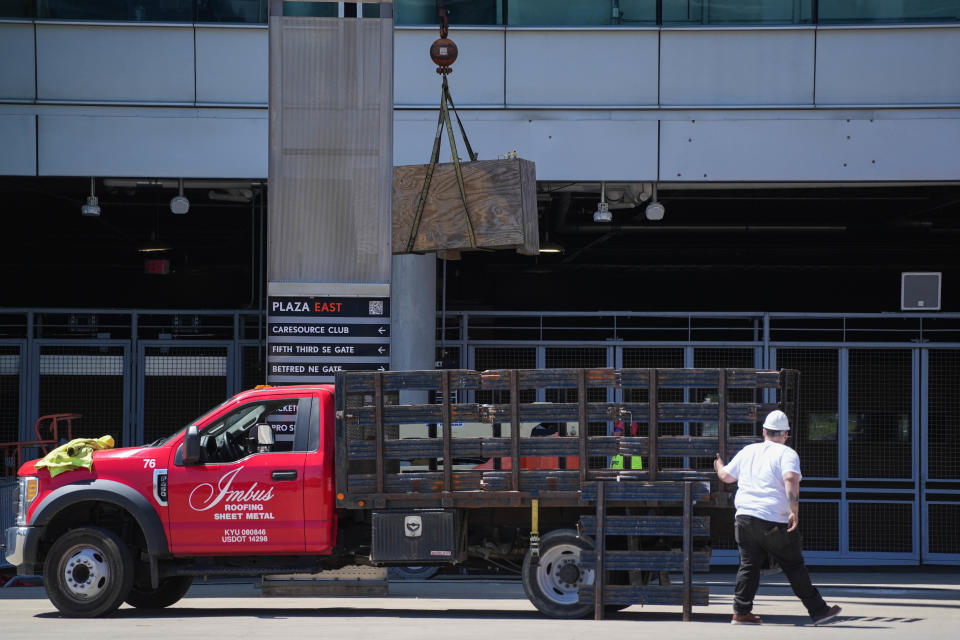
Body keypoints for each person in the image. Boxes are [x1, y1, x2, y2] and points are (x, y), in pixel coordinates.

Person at [714, 409, 841, 626]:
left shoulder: (748, 451)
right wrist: (794, 511)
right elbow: (791, 478)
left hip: (744, 518)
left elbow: (726, 476)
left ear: (763, 431)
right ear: (786, 434)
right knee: (793, 565)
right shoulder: (787, 453)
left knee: (749, 565)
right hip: (771, 520)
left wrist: (718, 464)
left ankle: (741, 612)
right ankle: (819, 611)